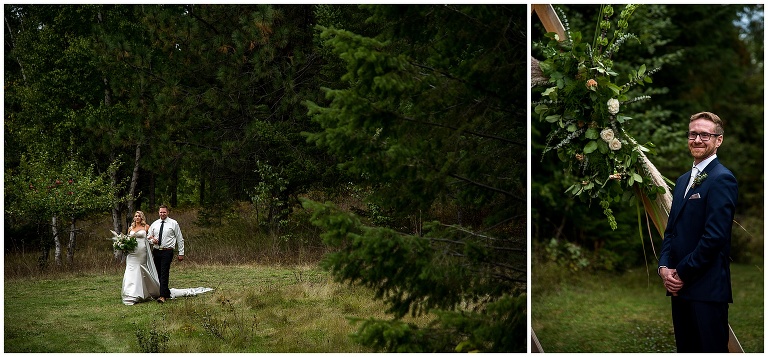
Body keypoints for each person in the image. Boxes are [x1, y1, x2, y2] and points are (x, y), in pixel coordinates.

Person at [658, 111, 738, 353]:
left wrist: (681, 272)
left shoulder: (722, 179)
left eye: (705, 134)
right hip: (679, 288)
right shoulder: (683, 181)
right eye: (693, 134)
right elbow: (671, 230)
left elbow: (715, 237)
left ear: (718, 140)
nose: (697, 139)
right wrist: (663, 268)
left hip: (706, 289)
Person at [148, 204, 185, 304]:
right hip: (156, 251)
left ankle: (162, 296)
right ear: (158, 212)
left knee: (164, 272)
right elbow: (148, 237)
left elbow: (179, 238)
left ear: (167, 212)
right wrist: (152, 240)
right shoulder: (155, 224)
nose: (162, 214)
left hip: (167, 251)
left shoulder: (173, 223)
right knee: (157, 272)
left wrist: (181, 253)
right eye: (161, 212)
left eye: (164, 212)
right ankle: (164, 291)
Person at [122, 211, 160, 305]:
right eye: (136, 216)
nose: (137, 217)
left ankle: (146, 291)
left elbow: (151, 237)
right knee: (131, 269)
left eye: (139, 216)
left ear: (142, 217)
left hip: (141, 251)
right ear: (134, 218)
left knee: (140, 269)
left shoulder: (146, 227)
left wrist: (153, 239)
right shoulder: (131, 228)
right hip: (132, 252)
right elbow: (127, 239)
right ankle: (130, 293)